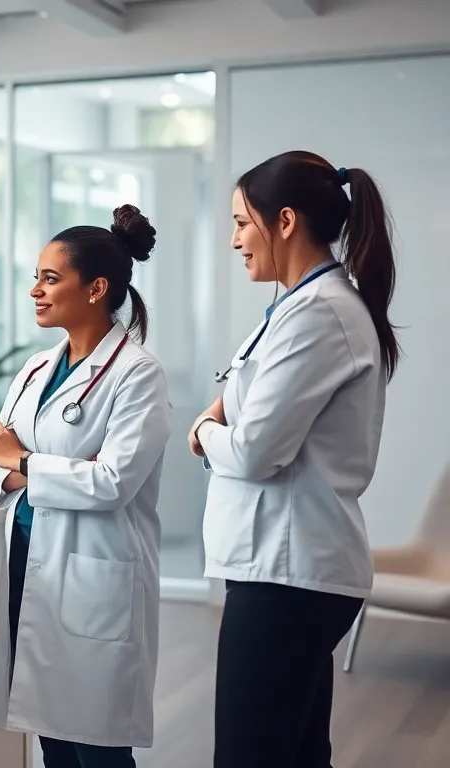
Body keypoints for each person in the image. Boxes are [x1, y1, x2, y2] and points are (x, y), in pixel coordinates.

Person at [189, 151, 398, 768]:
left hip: (288, 574)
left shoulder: (319, 314)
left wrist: (205, 428)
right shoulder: (302, 306)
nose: (233, 241)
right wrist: (227, 415)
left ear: (284, 221)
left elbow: (254, 449)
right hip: (287, 570)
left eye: (240, 223)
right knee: (298, 754)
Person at [0, 205, 170, 768]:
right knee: (50, 735)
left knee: (99, 748)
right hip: (27, 564)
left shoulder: (138, 374)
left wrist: (26, 463)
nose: (34, 289)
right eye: (36, 276)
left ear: (97, 288)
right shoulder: (37, 369)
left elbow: (112, 482)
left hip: (94, 576)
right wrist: (38, 465)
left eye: (50, 277)